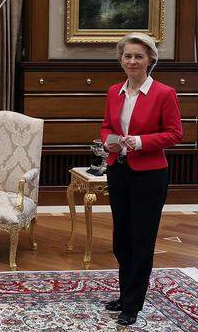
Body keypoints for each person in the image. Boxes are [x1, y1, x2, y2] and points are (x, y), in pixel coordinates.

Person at [100, 32, 183, 326]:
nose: (132, 61)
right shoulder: (113, 91)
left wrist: (139, 141)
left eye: (138, 56)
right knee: (121, 239)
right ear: (121, 60)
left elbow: (175, 134)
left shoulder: (164, 93)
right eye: (127, 56)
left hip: (149, 175)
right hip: (118, 170)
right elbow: (107, 125)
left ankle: (133, 305)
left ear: (150, 60)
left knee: (141, 240)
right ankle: (125, 294)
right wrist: (108, 139)